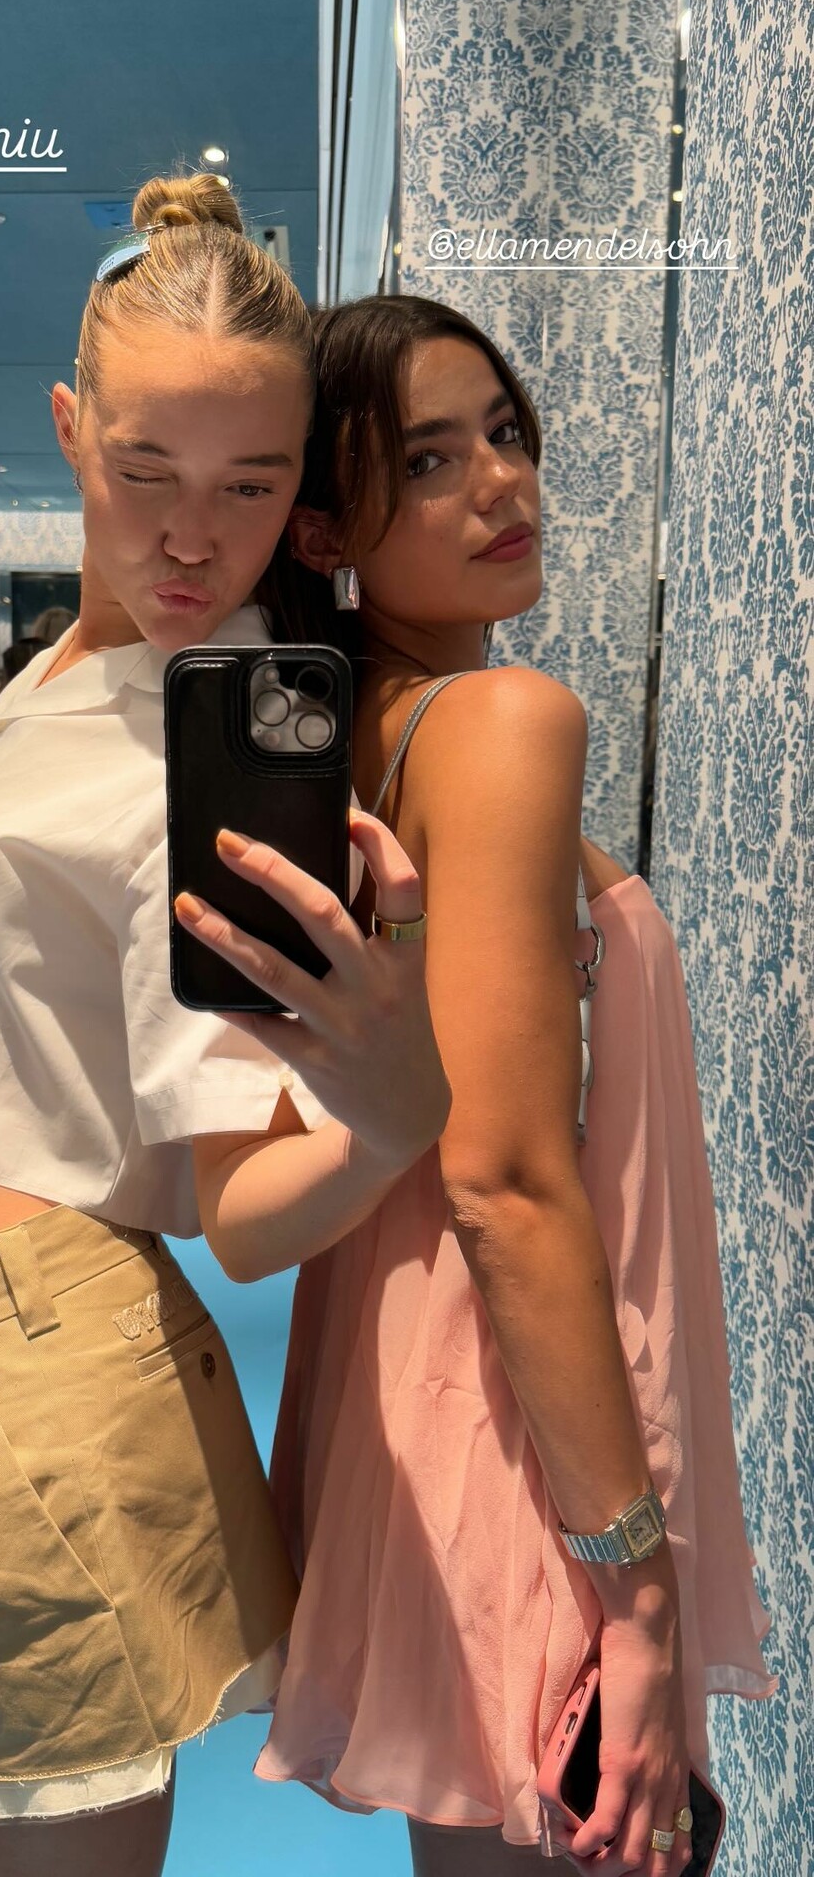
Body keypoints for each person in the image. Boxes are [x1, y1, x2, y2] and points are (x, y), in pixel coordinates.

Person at [0, 173, 450, 1877]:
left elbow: (241, 1207)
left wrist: (386, 1121)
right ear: (70, 428)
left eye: (251, 485)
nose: (190, 538)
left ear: (303, 487)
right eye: (146, 468)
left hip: (41, 1394)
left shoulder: (207, 751)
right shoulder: (59, 685)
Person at [239, 295, 775, 1876]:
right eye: (429, 459)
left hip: (438, 1404)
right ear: (325, 528)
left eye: (505, 433)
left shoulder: (374, 738)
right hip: (527, 1443)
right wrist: (641, 1590)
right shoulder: (501, 724)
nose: (500, 482)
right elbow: (505, 1177)